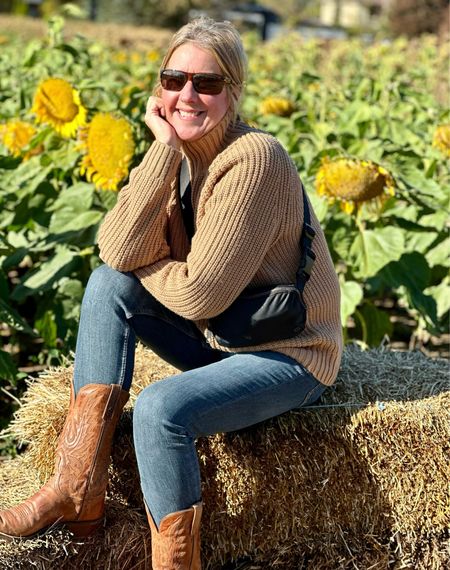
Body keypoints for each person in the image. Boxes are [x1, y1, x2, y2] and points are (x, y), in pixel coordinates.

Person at [0, 17, 343, 570]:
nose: (187, 94)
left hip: (286, 355)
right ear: (159, 87)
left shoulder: (253, 159)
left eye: (206, 84)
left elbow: (200, 295)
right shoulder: (180, 155)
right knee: (109, 283)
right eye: (174, 79)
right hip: (221, 339)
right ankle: (77, 489)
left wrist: (151, 263)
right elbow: (113, 250)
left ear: (233, 93)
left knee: (160, 408)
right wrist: (161, 151)